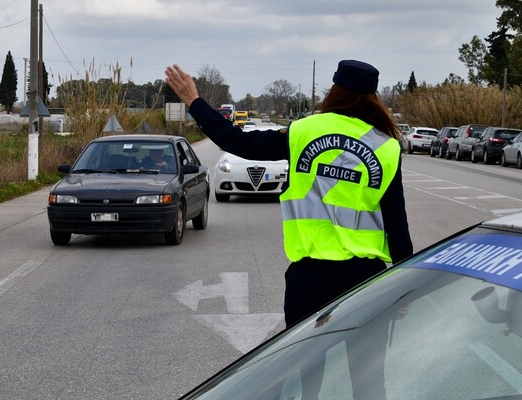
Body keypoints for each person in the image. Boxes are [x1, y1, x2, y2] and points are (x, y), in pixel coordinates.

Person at [166, 60, 413, 399]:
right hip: (366, 279)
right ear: (372, 97)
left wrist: (195, 101)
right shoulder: (386, 146)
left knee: (303, 378)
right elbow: (398, 226)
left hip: (309, 279)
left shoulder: (304, 131)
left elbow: (237, 141)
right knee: (368, 379)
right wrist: (403, 288)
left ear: (334, 91)